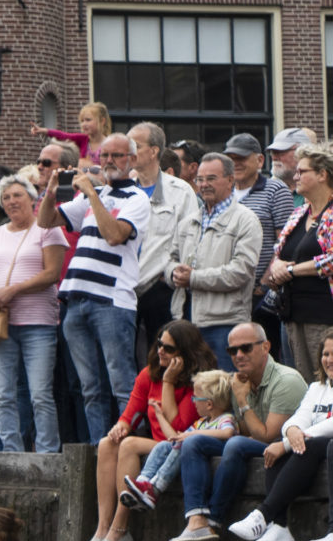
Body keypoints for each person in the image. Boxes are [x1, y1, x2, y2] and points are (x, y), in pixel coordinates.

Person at [39, 132, 151, 442]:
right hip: (76, 299)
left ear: (131, 160)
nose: (110, 161)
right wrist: (51, 192)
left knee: (121, 384)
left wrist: (92, 195)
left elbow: (114, 234)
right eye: (105, 156)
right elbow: (45, 222)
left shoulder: (137, 198)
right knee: (90, 388)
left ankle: (130, 448)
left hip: (112, 301)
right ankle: (99, 450)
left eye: (117, 156)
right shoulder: (93, 194)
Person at [80, 321, 212, 541]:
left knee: (129, 445)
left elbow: (178, 428)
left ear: (184, 354)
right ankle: (102, 529)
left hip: (179, 445)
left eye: (169, 348)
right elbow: (131, 412)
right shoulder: (149, 374)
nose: (160, 350)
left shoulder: (198, 383)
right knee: (106, 443)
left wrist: (169, 382)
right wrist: (120, 426)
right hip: (158, 446)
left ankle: (120, 529)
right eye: (159, 344)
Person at [172, 322, 307, 541]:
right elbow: (243, 430)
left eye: (245, 348)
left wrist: (243, 402)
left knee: (234, 444)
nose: (238, 355)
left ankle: (213, 520)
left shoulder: (287, 380)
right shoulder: (240, 382)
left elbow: (267, 436)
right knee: (193, 441)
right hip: (251, 443)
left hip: (286, 449)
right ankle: (195, 518)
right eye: (232, 351)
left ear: (265, 347)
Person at [0, 176, 66, 452]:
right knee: (2, 395)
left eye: (17, 195)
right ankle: (10, 455)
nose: (12, 202)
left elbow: (52, 274)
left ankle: (47, 453)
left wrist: (13, 290)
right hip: (1, 324)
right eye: (6, 198)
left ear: (32, 199)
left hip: (38, 323)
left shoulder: (48, 229)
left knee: (40, 394)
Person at [226, 335, 333, 541]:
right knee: (274, 450)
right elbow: (297, 419)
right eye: (326, 354)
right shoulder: (316, 388)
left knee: (301, 446)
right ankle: (279, 525)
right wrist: (291, 432)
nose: (329, 360)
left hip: (323, 447)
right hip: (313, 448)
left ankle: (263, 514)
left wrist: (289, 442)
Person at [171, 153, 261, 371]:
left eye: (211, 178)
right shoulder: (188, 222)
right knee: (196, 395)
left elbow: (241, 272)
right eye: (200, 179)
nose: (204, 185)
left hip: (226, 324)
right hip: (186, 322)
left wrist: (193, 278)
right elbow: (170, 257)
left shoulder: (246, 220)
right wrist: (173, 272)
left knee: (224, 393)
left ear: (230, 180)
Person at [131, 123, 200, 370]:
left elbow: (189, 239)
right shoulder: (121, 187)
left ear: (153, 151)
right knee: (124, 359)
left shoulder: (180, 191)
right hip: (123, 288)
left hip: (159, 287)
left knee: (160, 359)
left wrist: (169, 275)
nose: (129, 151)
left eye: (135, 146)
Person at [121, 369, 234, 512]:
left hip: (209, 455)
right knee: (163, 445)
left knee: (183, 444)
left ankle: (155, 488)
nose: (194, 402)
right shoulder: (201, 422)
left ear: (209, 404)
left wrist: (194, 434)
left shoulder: (225, 418)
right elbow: (174, 438)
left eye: (195, 399)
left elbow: (228, 432)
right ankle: (143, 482)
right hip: (192, 447)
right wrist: (160, 416)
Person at [265, 145, 333, 383]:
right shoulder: (298, 214)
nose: (295, 177)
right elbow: (279, 252)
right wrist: (276, 268)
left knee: (325, 382)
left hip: (324, 314)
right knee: (300, 383)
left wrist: (291, 270)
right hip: (292, 314)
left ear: (322, 175)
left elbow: (331, 259)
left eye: (302, 171)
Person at [227, 132, 295, 357]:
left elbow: (285, 242)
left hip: (259, 295)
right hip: (227, 292)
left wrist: (264, 286)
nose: (236, 164)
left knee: (263, 357)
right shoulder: (223, 193)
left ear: (259, 161)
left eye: (242, 159)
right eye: (231, 159)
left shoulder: (276, 191)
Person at [32, 100, 112, 165]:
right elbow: (64, 135)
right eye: (82, 121)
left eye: (88, 120)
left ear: (102, 121)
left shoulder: (109, 143)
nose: (84, 124)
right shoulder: (83, 139)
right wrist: (44, 131)